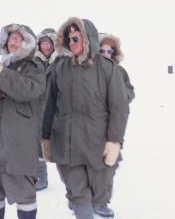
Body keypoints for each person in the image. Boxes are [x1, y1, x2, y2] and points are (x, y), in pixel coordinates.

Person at [41, 17, 129, 219]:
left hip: (97, 146)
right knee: (78, 196)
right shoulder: (59, 69)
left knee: (99, 193)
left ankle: (97, 204)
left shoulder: (107, 68)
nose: (71, 42)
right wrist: (45, 138)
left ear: (88, 39)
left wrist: (114, 141)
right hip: (67, 146)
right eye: (68, 38)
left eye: (76, 38)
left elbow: (119, 107)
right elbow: (49, 106)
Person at [0, 24, 45, 219]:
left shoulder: (34, 66)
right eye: (11, 37)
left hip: (21, 144)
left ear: (27, 42)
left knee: (25, 196)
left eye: (19, 38)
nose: (13, 41)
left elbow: (28, 90)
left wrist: (3, 73)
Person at [91, 33, 135, 218]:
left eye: (109, 50)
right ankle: (89, 200)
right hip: (94, 128)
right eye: (102, 50)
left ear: (114, 52)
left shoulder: (120, 71)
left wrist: (119, 97)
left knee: (110, 166)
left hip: (114, 128)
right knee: (94, 167)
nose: (105, 53)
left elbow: (130, 92)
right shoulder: (91, 70)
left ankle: (101, 202)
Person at [34, 28, 58, 191]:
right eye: (43, 43)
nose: (46, 46)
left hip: (57, 108)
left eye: (49, 43)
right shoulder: (35, 61)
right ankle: (41, 177)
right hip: (38, 107)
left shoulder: (61, 60)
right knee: (37, 144)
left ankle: (74, 184)